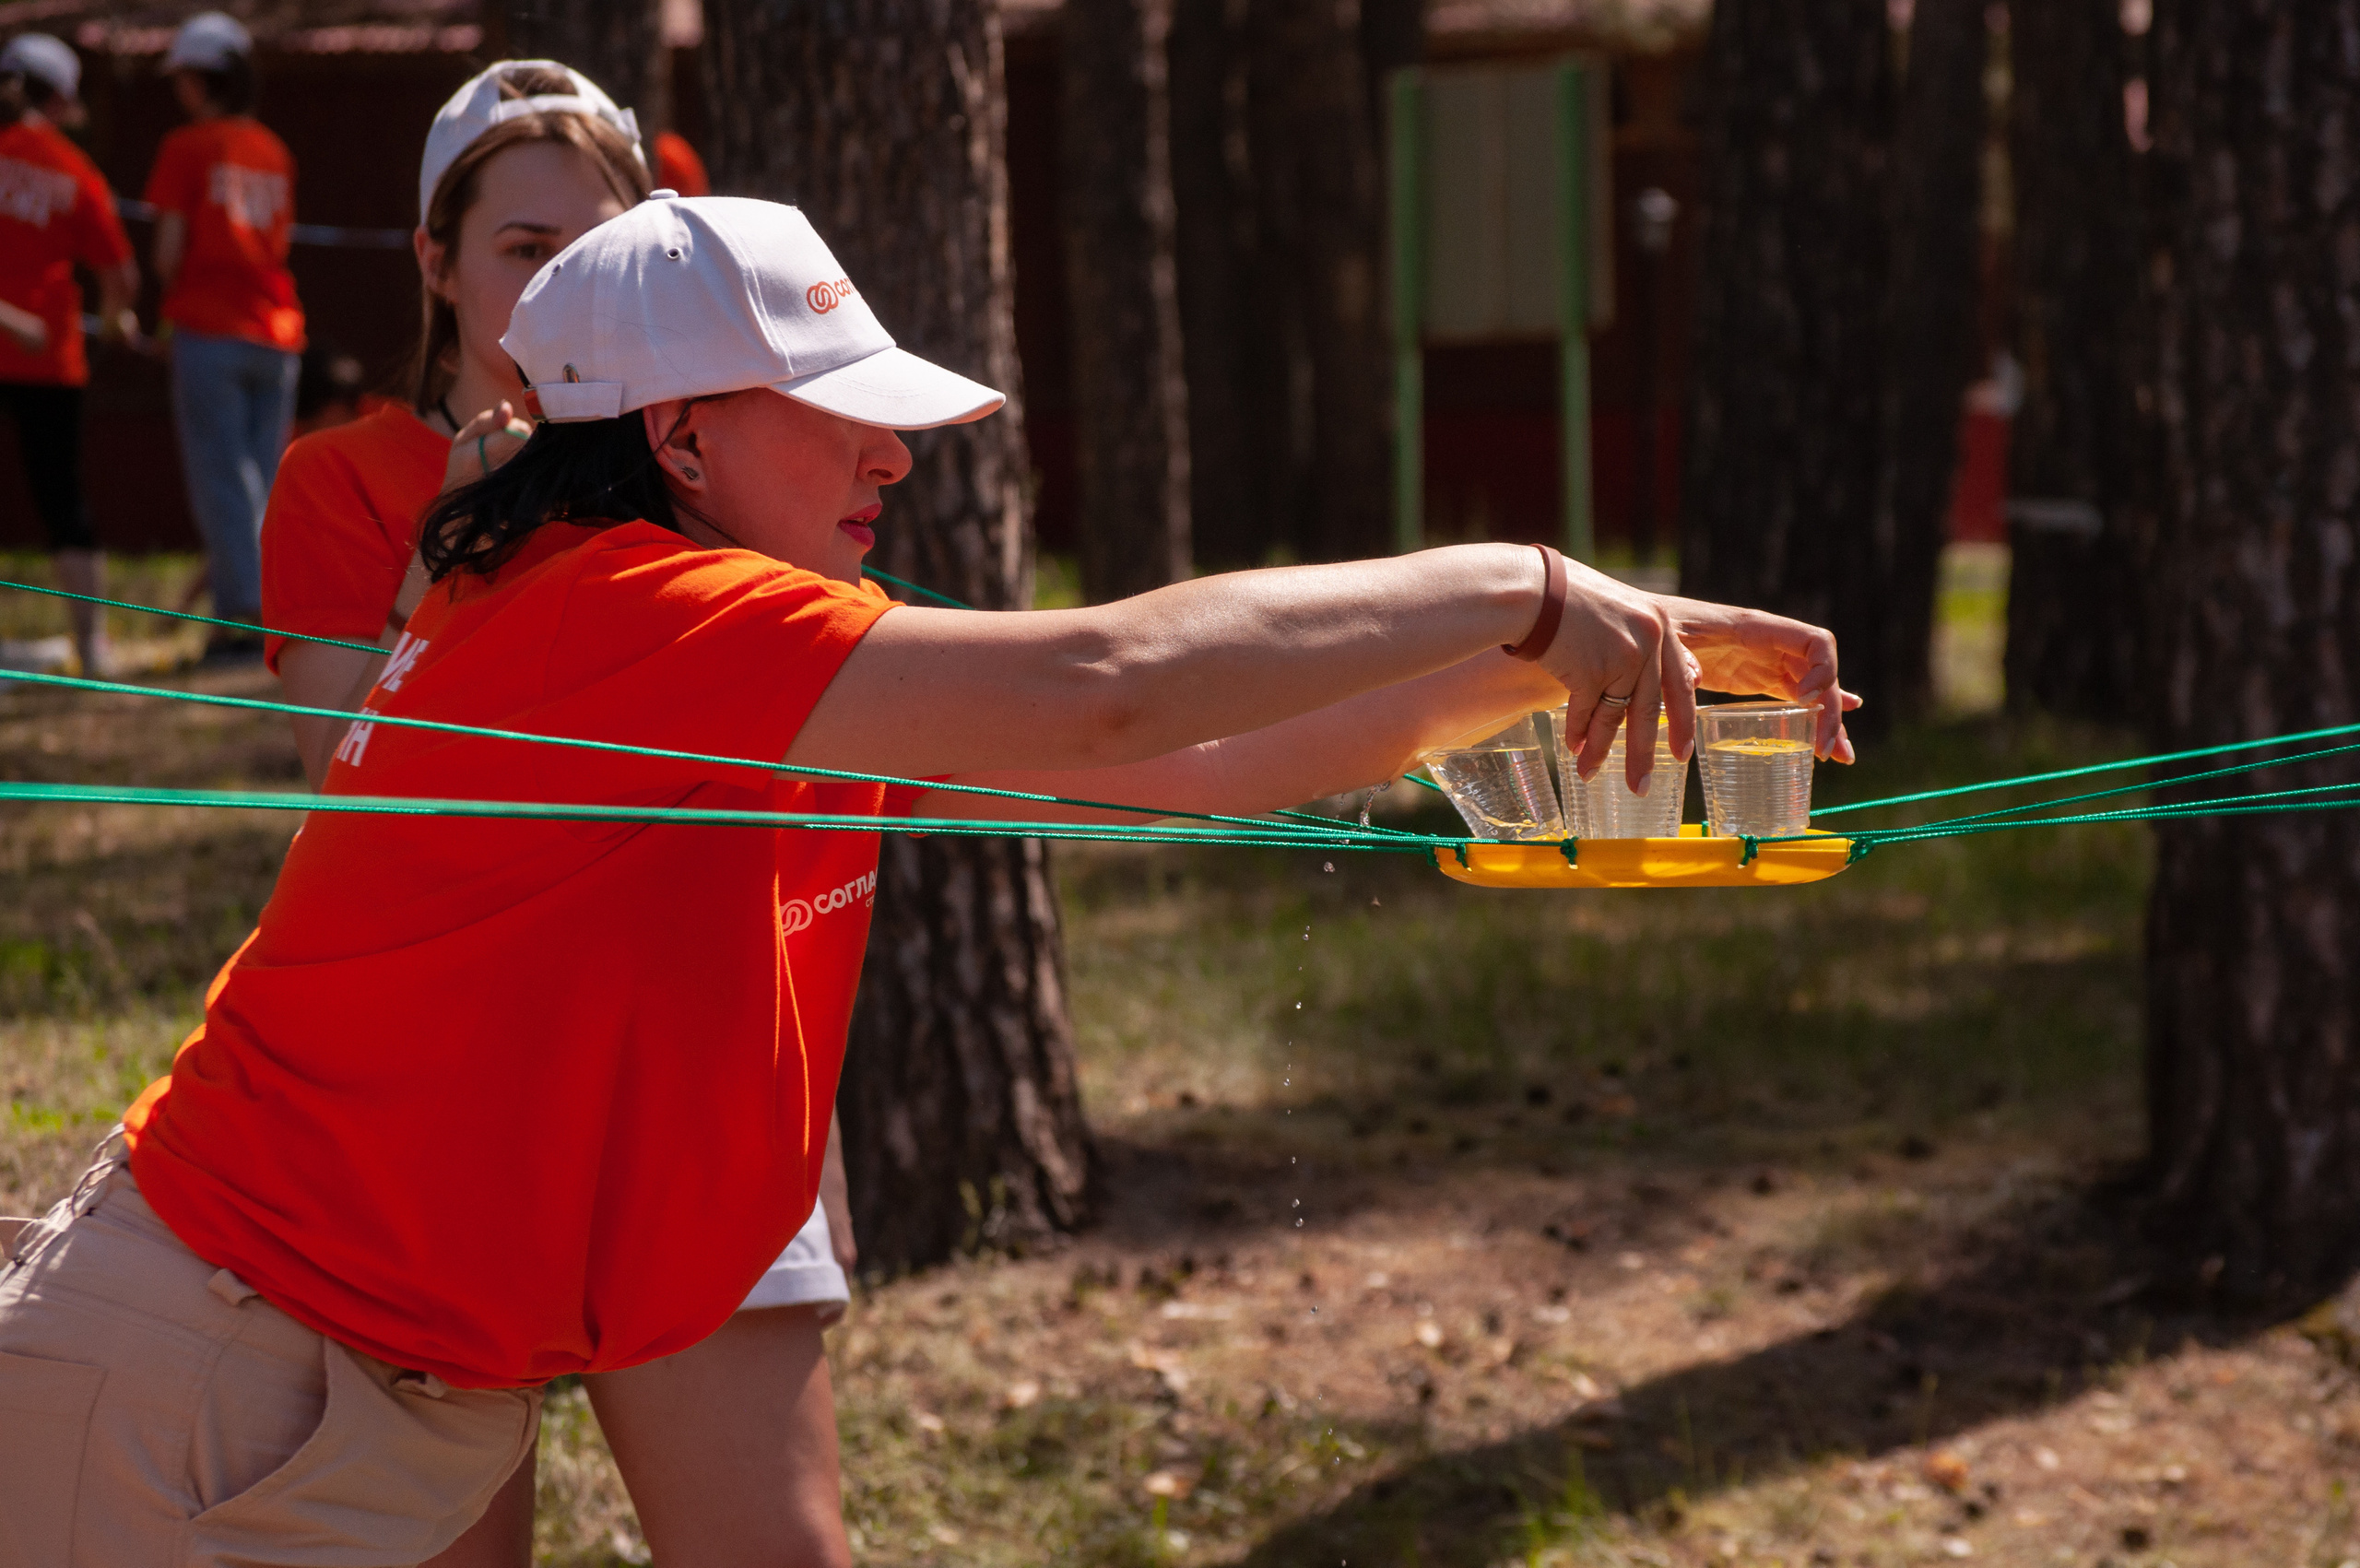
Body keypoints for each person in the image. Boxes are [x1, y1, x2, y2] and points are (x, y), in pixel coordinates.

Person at [0, 194, 1858, 1563]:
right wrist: (1521, 584)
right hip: (215, 1370)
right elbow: (1116, 684)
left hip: (350, 1351)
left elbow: (1183, 767)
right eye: (843, 408)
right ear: (680, 436)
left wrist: (1573, 674)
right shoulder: (643, 614)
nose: (892, 451)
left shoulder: (705, 630)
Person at [259, 63, 858, 1568]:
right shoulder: (342, 479)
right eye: (527, 249)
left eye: (603, 246)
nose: (564, 284)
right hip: (441, 1123)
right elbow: (339, 767)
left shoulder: (705, 467)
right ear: (436, 264)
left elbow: (816, 750)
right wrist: (451, 557)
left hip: (687, 1102)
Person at [145, 11, 303, 662]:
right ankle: (254, 613)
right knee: (261, 481)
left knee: (222, 483)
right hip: (277, 329)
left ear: (200, 79)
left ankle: (245, 620)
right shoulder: (274, 149)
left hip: (210, 328)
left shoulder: (186, 146)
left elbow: (167, 250)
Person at [0, 32, 137, 678]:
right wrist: (116, 323)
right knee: (64, 502)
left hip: (43, 356)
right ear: (56, 100)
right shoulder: (74, 170)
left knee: (62, 500)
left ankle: (90, 648)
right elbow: (119, 278)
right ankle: (93, 650)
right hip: (48, 359)